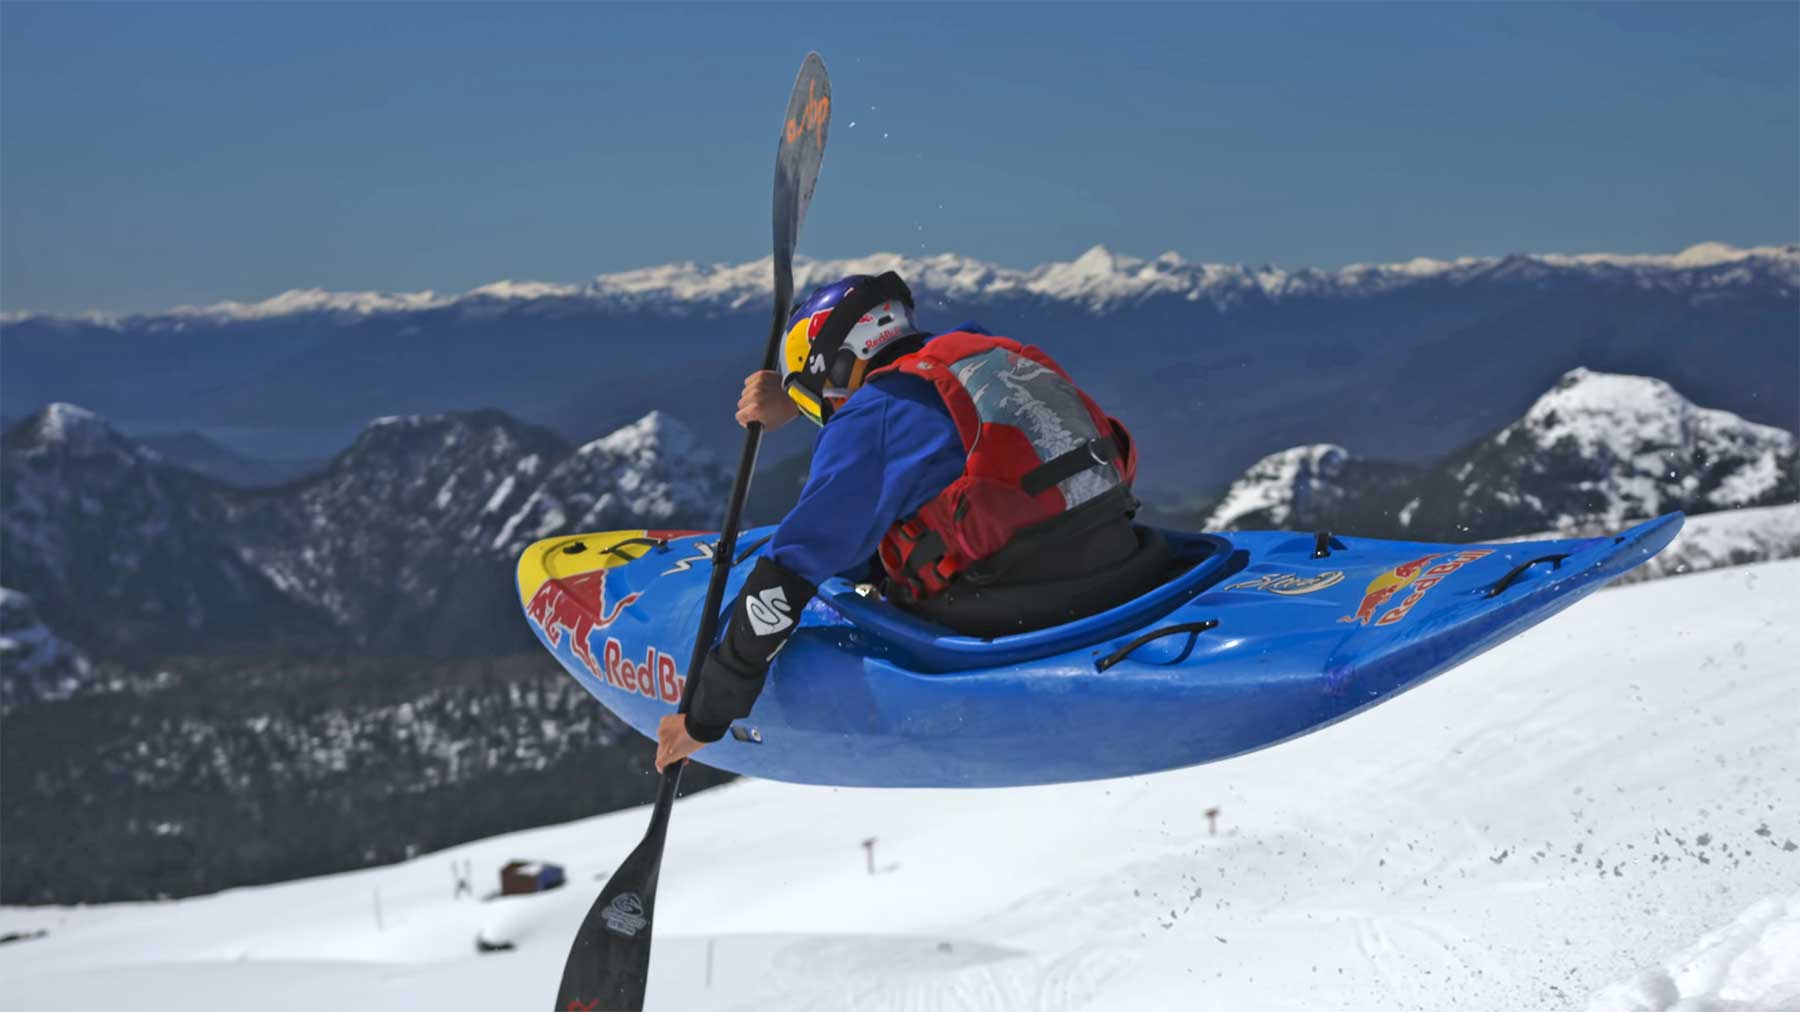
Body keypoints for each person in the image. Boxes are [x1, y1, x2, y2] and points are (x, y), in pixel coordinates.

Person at [656, 271, 1166, 771]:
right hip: (1118, 552)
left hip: (1019, 606)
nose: (826, 417)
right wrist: (796, 392)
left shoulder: (871, 415)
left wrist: (703, 718)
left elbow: (784, 581)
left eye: (819, 401)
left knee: (837, 572)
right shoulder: (978, 352)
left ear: (836, 367)